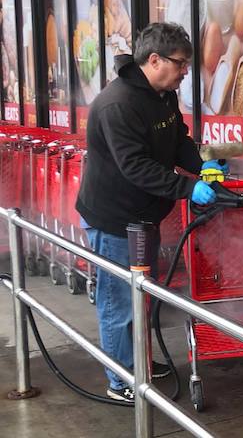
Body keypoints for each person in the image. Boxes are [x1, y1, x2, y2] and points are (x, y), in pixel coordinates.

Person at [76, 22, 226, 402]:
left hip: (144, 216)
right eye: (181, 64)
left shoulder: (164, 96)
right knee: (119, 302)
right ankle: (121, 378)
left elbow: (178, 140)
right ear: (154, 59)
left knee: (141, 296)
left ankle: (136, 361)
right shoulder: (118, 104)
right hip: (113, 219)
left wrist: (201, 165)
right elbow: (136, 166)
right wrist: (190, 188)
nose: (186, 72)